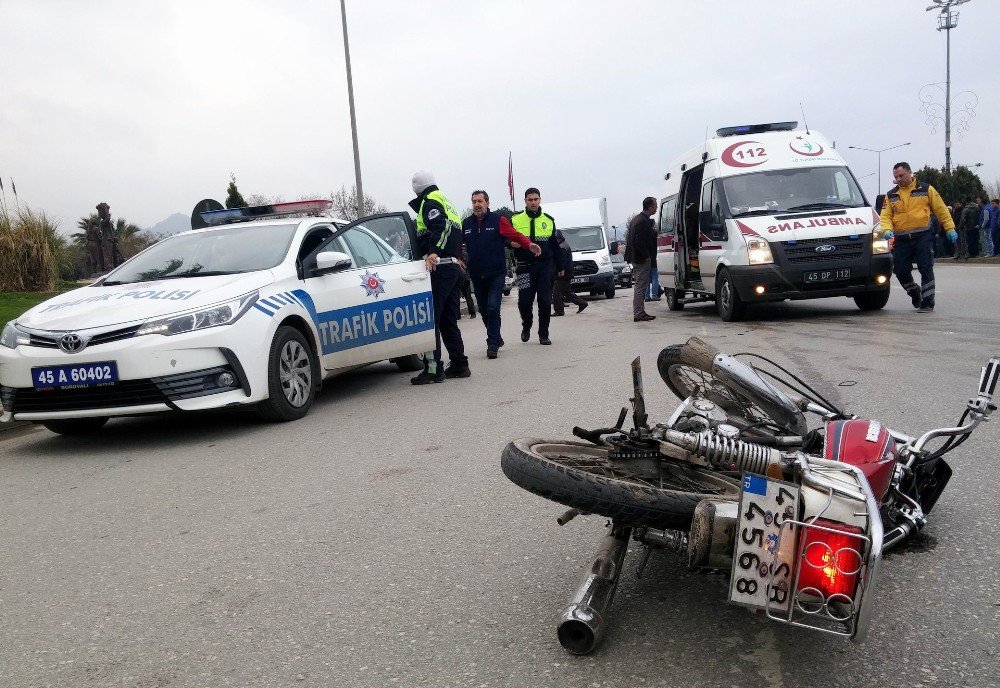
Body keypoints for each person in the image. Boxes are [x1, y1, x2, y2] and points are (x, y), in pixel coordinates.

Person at [407, 171, 470, 383]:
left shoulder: (430, 201)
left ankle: (433, 369)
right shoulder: (446, 200)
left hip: (439, 268)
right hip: (452, 267)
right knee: (448, 320)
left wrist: (434, 251)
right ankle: (460, 364)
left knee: (430, 319)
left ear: (418, 187)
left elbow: (440, 226)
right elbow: (454, 232)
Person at [461, 190, 537, 359]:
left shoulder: (498, 220)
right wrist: (458, 258)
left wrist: (528, 244)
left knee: (493, 307)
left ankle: (492, 344)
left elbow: (514, 234)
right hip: (476, 273)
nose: (477, 204)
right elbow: (458, 244)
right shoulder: (466, 224)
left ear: (487, 203)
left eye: (480, 201)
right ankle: (496, 336)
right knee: (484, 310)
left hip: (496, 273)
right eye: (474, 201)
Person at [879, 162, 957, 312]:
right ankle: (914, 291)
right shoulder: (891, 195)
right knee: (900, 270)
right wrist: (887, 230)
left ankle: (928, 302)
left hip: (923, 236)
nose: (899, 179)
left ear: (910, 173)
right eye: (896, 176)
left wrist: (950, 228)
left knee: (925, 267)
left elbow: (941, 210)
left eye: (901, 175)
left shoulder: (927, 189)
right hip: (902, 239)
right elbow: (886, 216)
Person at [510, 188, 564, 345]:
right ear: (525, 201)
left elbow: (555, 247)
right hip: (524, 268)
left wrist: (560, 266)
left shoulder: (548, 220)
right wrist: (510, 244)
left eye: (535, 199)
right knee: (524, 302)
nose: (533, 202)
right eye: (530, 199)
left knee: (545, 301)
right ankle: (526, 324)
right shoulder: (515, 219)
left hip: (544, 268)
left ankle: (543, 334)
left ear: (540, 200)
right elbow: (504, 240)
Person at [625, 197, 658, 321]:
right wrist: (646, 256)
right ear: (650, 207)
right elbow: (639, 242)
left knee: (640, 285)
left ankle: (640, 311)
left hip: (637, 258)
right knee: (640, 286)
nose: (657, 208)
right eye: (655, 205)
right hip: (641, 259)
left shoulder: (637, 220)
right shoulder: (642, 221)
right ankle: (638, 312)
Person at [551, 229, 588, 316]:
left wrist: (559, 271)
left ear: (558, 238)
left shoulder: (561, 247)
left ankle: (559, 310)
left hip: (563, 274)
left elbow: (561, 261)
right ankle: (582, 303)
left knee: (556, 292)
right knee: (566, 291)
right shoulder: (563, 245)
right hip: (566, 273)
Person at [456, 244, 478, 320]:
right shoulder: (459, 255)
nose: (463, 248)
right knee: (459, 297)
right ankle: (460, 315)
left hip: (463, 279)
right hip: (461, 279)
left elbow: (468, 267)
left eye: (463, 247)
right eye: (462, 247)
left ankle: (471, 313)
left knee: (467, 297)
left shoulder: (462, 255)